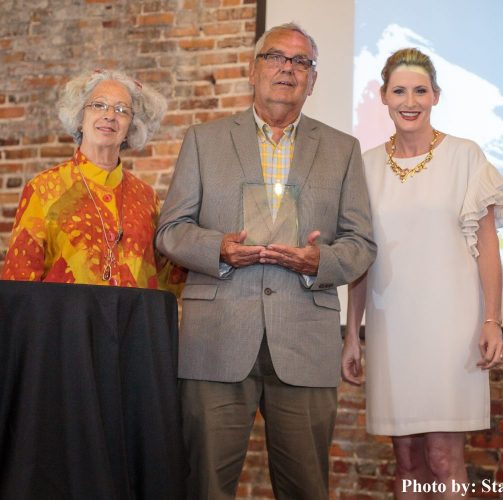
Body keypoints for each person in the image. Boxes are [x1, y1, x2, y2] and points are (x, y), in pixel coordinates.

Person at [156, 23, 376, 500]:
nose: (287, 69)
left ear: (312, 80)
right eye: (276, 57)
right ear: (253, 70)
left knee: (306, 488)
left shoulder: (342, 149)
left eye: (301, 62)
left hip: (304, 341)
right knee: (204, 486)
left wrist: (318, 261)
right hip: (216, 343)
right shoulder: (204, 140)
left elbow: (361, 244)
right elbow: (170, 230)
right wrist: (218, 248)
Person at [342, 48, 503, 498]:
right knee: (407, 460)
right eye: (399, 91)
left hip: (451, 330)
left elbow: (488, 247)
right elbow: (360, 258)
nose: (410, 101)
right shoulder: (365, 166)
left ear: (436, 95)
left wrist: (492, 320)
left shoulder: (465, 156)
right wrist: (352, 334)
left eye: (420, 90)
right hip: (392, 330)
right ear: (383, 96)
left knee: (442, 458)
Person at [1, 69, 183, 290]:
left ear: (131, 127)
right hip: (65, 314)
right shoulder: (44, 189)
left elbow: (167, 280)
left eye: (122, 110)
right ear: (80, 118)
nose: (110, 115)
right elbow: (18, 284)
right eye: (98, 105)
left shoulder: (147, 198)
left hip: (133, 313)